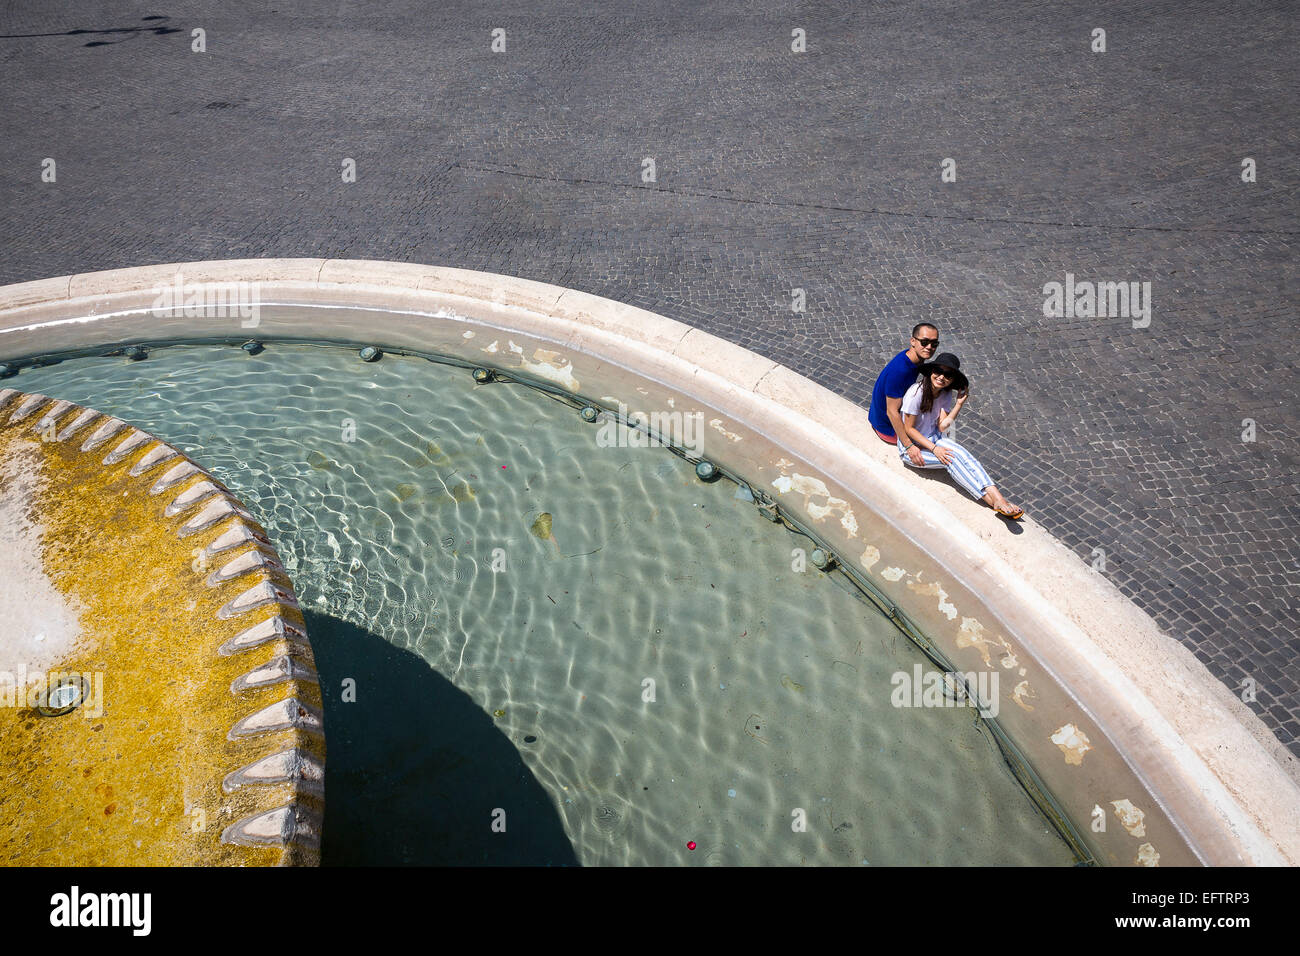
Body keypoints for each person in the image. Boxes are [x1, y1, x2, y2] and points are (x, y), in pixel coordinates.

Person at [897, 353, 1024, 520]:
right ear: (931, 371)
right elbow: (909, 429)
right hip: (912, 448)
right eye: (938, 371)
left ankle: (999, 499)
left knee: (965, 456)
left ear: (952, 379)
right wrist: (935, 449)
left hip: (934, 438)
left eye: (948, 375)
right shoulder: (916, 393)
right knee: (951, 460)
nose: (942, 377)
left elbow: (943, 425)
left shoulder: (944, 393)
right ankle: (993, 503)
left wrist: (958, 404)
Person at [869, 323, 939, 449]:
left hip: (883, 418)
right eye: (924, 342)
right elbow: (891, 412)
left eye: (934, 344)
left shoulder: (911, 357)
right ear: (913, 341)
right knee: (931, 441)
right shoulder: (900, 371)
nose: (929, 347)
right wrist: (908, 445)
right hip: (887, 428)